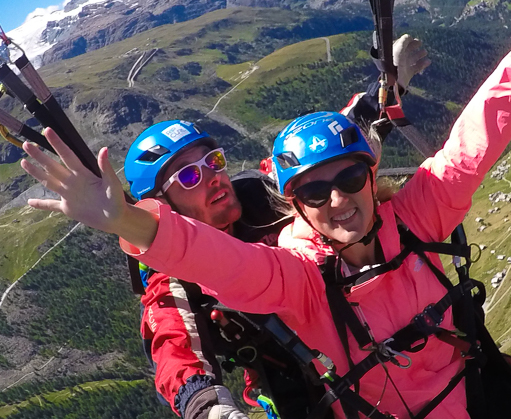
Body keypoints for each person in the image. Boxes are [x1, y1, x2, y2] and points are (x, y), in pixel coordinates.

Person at [23, 0, 511, 419]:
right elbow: (186, 325)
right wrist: (126, 222)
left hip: (474, 392)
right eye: (190, 175)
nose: (337, 199)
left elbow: (453, 144)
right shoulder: (279, 277)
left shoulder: (326, 206)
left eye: (214, 160)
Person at [110, 39, 431, 419]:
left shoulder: (260, 195)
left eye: (214, 161)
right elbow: (173, 346)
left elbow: (323, 150)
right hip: (302, 384)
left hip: (366, 328)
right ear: (162, 206)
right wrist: (207, 407)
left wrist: (389, 86)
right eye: (190, 175)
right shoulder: (177, 277)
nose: (214, 177)